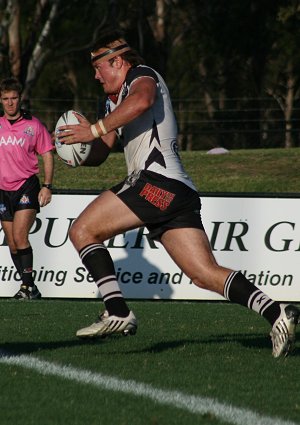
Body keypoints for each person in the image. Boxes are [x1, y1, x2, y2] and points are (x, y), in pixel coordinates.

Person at [58, 29, 299, 358]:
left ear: (116, 61)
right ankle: (277, 313)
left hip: (155, 182)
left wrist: (95, 129)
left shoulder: (142, 76)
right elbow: (102, 151)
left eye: (99, 68)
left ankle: (116, 311)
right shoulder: (114, 100)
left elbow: (142, 101)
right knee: (204, 274)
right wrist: (77, 150)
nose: (96, 76)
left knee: (82, 229)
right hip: (176, 190)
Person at [0, 77, 54, 300]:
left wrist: (47, 186)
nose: (10, 103)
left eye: (14, 98)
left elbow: (47, 155)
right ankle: (29, 286)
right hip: (3, 190)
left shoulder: (34, 125)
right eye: (6, 99)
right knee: (12, 244)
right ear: (1, 100)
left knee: (21, 237)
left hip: (26, 186)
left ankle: (28, 287)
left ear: (20, 98)